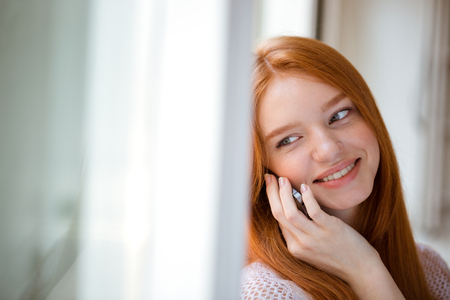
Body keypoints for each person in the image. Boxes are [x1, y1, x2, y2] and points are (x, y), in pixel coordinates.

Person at [241, 36, 450, 300]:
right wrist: (366, 272)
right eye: (289, 140)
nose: (329, 149)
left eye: (338, 115)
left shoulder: (429, 268)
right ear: (264, 173)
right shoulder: (266, 291)